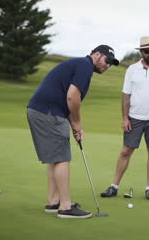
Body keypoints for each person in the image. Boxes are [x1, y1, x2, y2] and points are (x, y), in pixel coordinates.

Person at [27, 45, 119, 219]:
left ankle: (53, 201)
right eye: (107, 60)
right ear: (97, 55)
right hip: (48, 112)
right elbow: (72, 96)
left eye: (111, 64)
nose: (107, 66)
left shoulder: (80, 65)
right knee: (62, 158)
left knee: (55, 157)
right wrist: (77, 122)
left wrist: (75, 126)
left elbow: (67, 100)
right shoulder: (84, 66)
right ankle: (65, 207)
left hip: (42, 110)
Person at [100, 36, 149, 200]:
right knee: (126, 151)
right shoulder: (132, 70)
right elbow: (126, 95)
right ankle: (114, 186)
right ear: (141, 52)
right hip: (134, 117)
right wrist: (125, 118)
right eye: (147, 51)